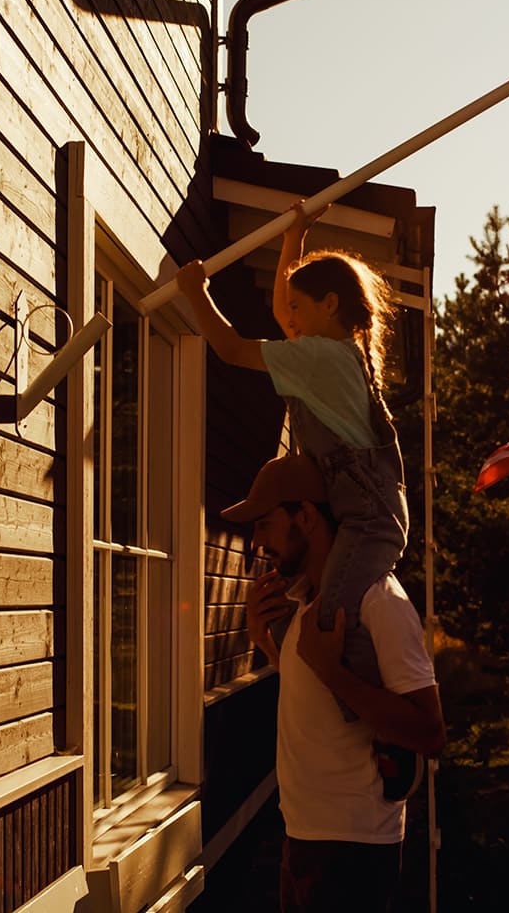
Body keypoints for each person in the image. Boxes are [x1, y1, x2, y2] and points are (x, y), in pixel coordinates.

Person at [175, 204, 409, 712]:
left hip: (369, 518)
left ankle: (367, 715)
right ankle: (325, 689)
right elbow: (284, 311)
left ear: (329, 305)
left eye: (300, 309)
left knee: (335, 618)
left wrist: (196, 292)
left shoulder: (320, 358)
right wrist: (295, 234)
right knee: (310, 605)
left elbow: (233, 349)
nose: (290, 320)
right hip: (365, 510)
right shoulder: (335, 353)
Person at [223, 453, 445, 913]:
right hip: (304, 837)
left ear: (305, 516)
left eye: (265, 524)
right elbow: (322, 704)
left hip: (352, 849)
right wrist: (264, 643)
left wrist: (332, 672)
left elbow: (430, 732)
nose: (256, 541)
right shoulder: (307, 603)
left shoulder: (379, 600)